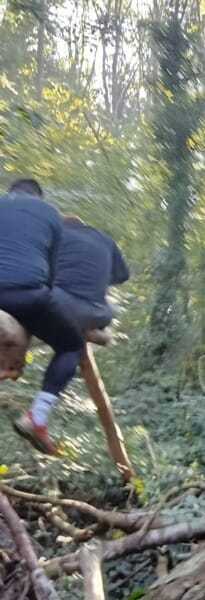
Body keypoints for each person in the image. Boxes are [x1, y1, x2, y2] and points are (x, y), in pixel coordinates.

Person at [12, 214, 130, 454]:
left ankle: (36, 415)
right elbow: (123, 275)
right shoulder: (104, 239)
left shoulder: (53, 236)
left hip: (52, 303)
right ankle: (38, 415)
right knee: (73, 345)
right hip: (93, 312)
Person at [0, 179, 84, 454]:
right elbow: (50, 273)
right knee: (71, 345)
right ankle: (37, 416)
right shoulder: (49, 213)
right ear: (39, 196)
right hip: (29, 295)